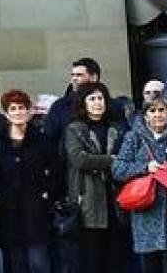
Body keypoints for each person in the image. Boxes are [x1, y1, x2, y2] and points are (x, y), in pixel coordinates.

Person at [110, 95, 167, 273]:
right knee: (151, 264)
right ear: (145, 116)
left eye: (162, 110)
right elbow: (118, 169)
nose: (157, 115)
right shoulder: (133, 137)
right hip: (147, 211)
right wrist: (144, 167)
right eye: (152, 110)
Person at [0, 91, 53, 273]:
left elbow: (54, 169)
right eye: (12, 109)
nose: (17, 112)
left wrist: (47, 193)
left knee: (38, 261)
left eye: (21, 108)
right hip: (7, 209)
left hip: (36, 208)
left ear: (29, 111)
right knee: (14, 261)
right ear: (6, 114)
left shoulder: (42, 140)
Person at [62, 81, 126, 273]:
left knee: (115, 260)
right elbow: (80, 160)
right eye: (92, 99)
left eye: (101, 98)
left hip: (116, 200)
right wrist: (112, 159)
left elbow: (127, 157)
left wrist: (102, 161)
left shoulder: (116, 127)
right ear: (83, 103)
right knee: (92, 260)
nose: (98, 102)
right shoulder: (75, 128)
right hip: (88, 201)